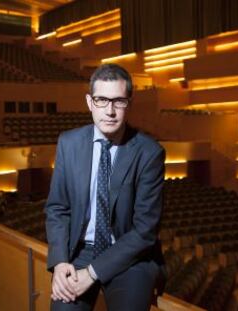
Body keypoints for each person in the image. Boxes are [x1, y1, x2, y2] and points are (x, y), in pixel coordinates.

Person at [45, 63, 165, 311]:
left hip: (130, 256)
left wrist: (92, 273)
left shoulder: (149, 153)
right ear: (89, 102)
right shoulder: (69, 143)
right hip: (80, 252)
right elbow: (57, 208)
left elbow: (144, 231)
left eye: (118, 101)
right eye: (101, 100)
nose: (109, 111)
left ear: (128, 104)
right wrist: (59, 262)